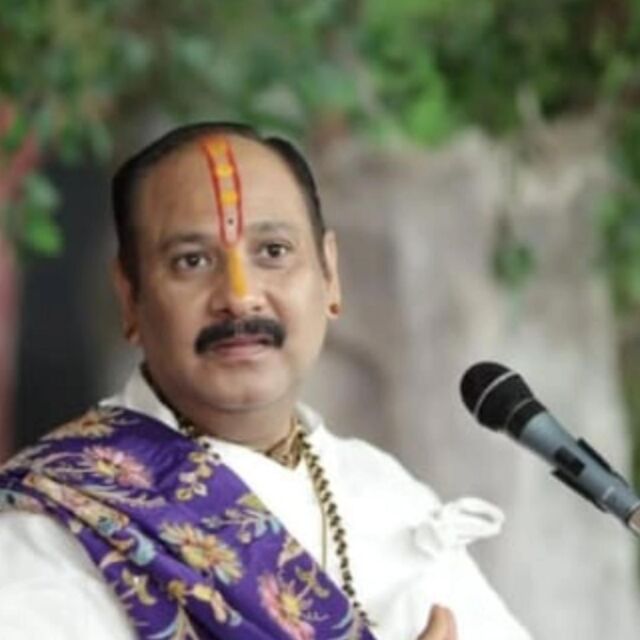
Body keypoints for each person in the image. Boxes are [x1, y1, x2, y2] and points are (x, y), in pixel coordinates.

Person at [0, 123, 530, 640]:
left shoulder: (386, 492)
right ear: (130, 298)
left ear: (329, 276)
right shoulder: (56, 531)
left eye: (273, 252)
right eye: (192, 261)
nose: (240, 296)